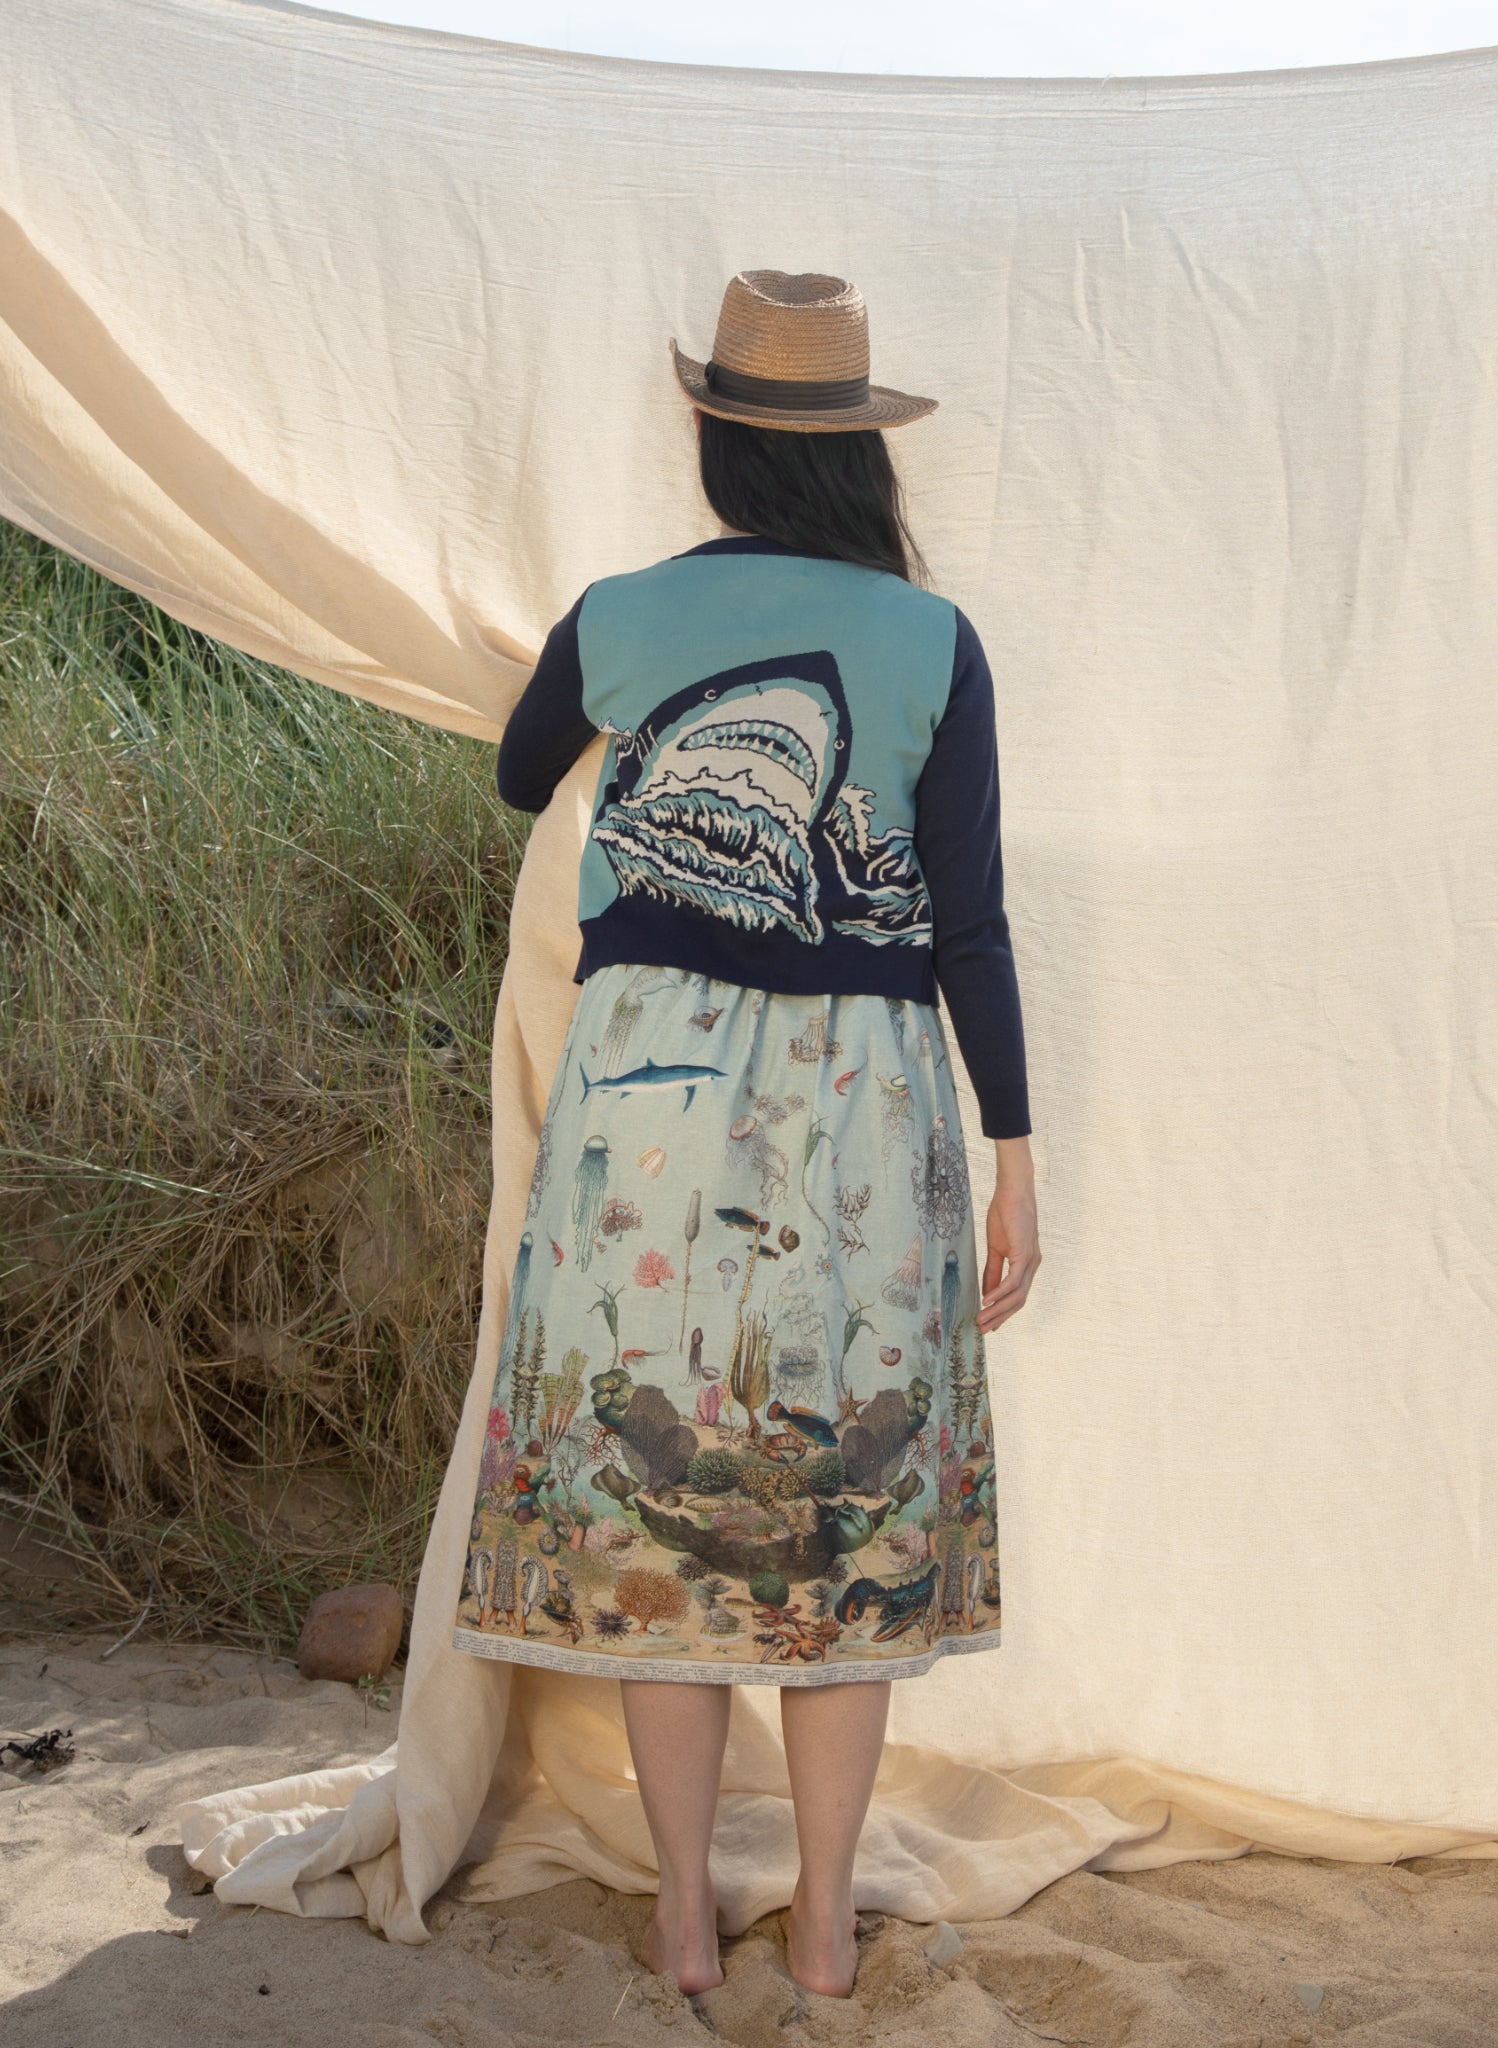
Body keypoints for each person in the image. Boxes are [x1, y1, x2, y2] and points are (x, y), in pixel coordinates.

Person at [450, 269, 1041, 1998]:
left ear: (716, 436)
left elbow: (519, 771)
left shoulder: (619, 611)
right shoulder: (933, 639)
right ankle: (829, 1917)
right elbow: (968, 922)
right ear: (859, 452)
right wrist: (1015, 1152)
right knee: (841, 1493)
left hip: (645, 1108)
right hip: (865, 1105)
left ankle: (683, 1912)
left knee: (658, 1501)